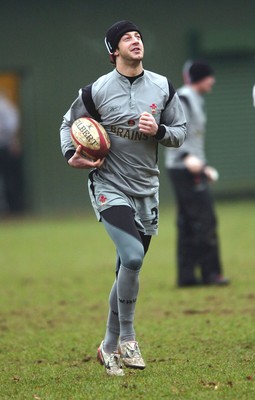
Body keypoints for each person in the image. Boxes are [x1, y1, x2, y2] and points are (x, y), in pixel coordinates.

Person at [60, 20, 186, 376]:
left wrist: (158, 130)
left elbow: (181, 132)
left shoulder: (162, 87)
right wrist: (73, 154)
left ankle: (108, 346)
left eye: (138, 36)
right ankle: (128, 337)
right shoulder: (96, 90)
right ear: (114, 50)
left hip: (146, 189)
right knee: (131, 257)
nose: (135, 40)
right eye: (126, 38)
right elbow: (68, 123)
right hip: (109, 185)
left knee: (125, 269)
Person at [165, 60, 230, 288]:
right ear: (202, 77)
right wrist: (186, 158)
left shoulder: (195, 99)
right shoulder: (183, 98)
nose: (213, 81)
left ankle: (187, 277)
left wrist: (204, 166)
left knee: (187, 222)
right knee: (205, 220)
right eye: (210, 76)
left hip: (190, 167)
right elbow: (174, 129)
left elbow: (192, 138)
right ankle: (211, 274)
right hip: (184, 168)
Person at [0, 92, 23, 215]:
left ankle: (14, 211)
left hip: (4, 145)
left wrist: (14, 142)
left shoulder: (3, 104)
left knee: (10, 180)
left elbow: (13, 124)